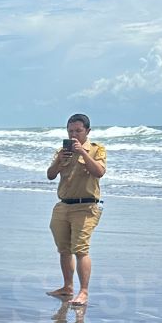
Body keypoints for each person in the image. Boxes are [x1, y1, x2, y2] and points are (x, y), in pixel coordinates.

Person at [45, 113, 107, 306]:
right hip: (64, 205)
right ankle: (67, 287)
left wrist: (83, 153)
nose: (74, 135)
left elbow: (99, 172)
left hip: (86, 206)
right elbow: (50, 175)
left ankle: (84, 292)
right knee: (64, 249)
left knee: (80, 249)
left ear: (87, 131)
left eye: (78, 131)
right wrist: (58, 160)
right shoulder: (62, 151)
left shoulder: (97, 150)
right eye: (70, 131)